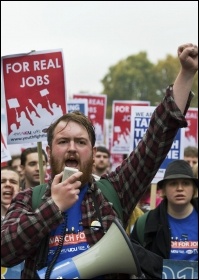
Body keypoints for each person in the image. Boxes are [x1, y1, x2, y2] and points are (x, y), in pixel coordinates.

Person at [1, 43, 198, 279]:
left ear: (93, 153)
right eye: (63, 142)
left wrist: (186, 74)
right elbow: (5, 250)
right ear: (49, 151)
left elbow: (156, 139)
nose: (72, 147)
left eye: (81, 142)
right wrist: (53, 207)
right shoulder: (28, 200)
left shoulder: (112, 192)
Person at [131, 160, 198, 261]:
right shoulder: (145, 223)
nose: (180, 188)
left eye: (185, 183)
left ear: (193, 188)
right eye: (173, 183)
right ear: (164, 190)